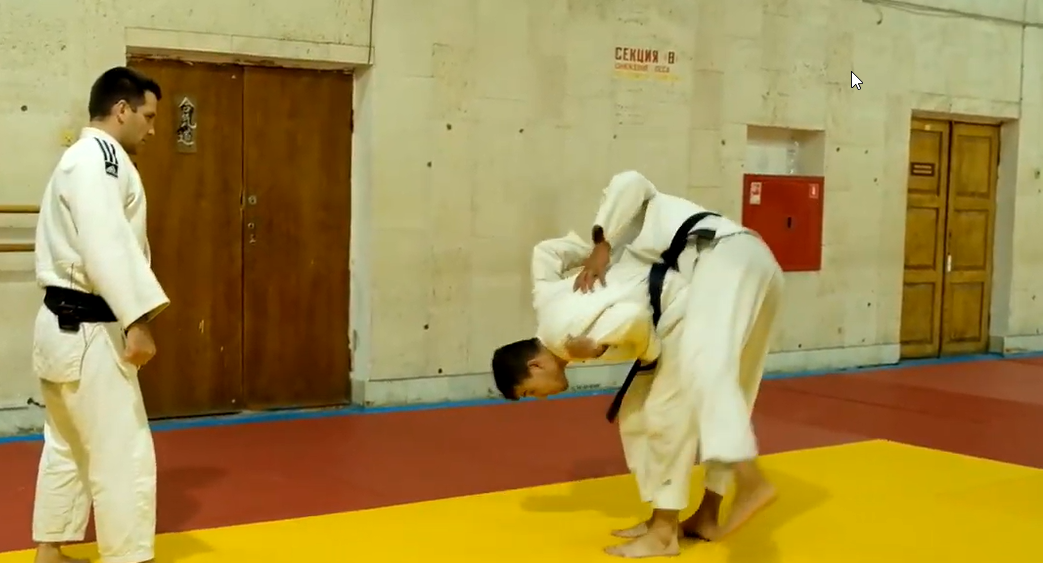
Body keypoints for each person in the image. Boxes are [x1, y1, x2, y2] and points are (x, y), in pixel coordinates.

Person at [491, 210, 746, 557]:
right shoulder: (545, 305)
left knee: (663, 418)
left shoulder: (570, 339)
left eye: (531, 391)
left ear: (535, 366)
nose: (541, 398)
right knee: (634, 414)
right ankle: (661, 520)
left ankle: (664, 534)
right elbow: (545, 253)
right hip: (672, 310)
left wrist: (605, 349)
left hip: (685, 312)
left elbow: (634, 318)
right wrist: (598, 256)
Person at [576, 170, 783, 557]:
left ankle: (680, 522)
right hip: (755, 263)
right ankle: (707, 513)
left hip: (726, 257)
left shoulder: (635, 215)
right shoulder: (636, 250)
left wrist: (600, 243)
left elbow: (631, 180)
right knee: (732, 387)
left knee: (694, 379)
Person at [31, 66, 168, 564]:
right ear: (122, 110)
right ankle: (128, 558)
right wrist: (137, 319)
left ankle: (50, 551)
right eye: (148, 117)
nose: (152, 129)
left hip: (60, 326)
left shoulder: (79, 158)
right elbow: (105, 242)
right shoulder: (101, 157)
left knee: (67, 444)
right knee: (123, 452)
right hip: (90, 329)